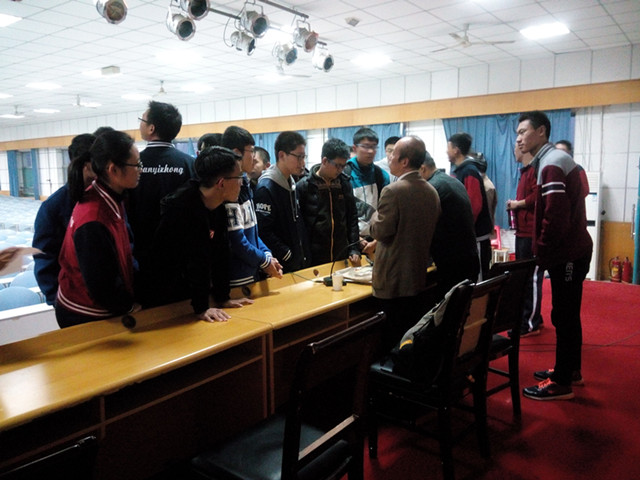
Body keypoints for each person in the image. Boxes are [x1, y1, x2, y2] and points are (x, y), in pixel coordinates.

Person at [517, 111, 593, 401]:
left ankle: (562, 382)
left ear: (542, 132)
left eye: (523, 132)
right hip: (571, 250)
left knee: (565, 314)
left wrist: (543, 250)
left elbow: (555, 216)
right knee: (566, 313)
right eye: (517, 133)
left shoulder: (551, 164)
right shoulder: (550, 161)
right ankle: (569, 370)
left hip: (569, 253)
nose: (519, 138)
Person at [148, 146, 253, 322]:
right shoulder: (180, 208)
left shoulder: (218, 204)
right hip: (168, 299)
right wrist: (201, 307)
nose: (242, 183)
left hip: (194, 296)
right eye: (239, 177)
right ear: (221, 183)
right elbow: (192, 260)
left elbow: (221, 252)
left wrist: (223, 297)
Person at [56, 130, 141, 328]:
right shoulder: (93, 218)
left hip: (100, 304)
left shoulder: (110, 196)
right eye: (136, 165)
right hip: (85, 313)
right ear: (113, 170)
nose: (140, 170)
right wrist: (128, 306)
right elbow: (101, 285)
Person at [370, 135, 441, 350]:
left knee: (388, 339)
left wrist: (373, 216)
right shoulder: (431, 191)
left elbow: (380, 231)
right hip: (417, 277)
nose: (389, 157)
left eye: (393, 154)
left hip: (391, 281)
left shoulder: (393, 191)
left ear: (404, 162)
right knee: (407, 338)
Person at [127, 101, 195, 303]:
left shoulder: (131, 166)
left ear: (151, 128)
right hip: (181, 257)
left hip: (142, 256)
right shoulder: (189, 164)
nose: (140, 124)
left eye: (142, 120)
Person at [33, 133, 97, 305]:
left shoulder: (109, 199)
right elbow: (44, 256)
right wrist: (57, 298)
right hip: (72, 301)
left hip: (105, 297)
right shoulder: (53, 206)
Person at [221, 126, 282, 287]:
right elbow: (237, 241)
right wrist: (264, 261)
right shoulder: (229, 188)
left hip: (252, 271)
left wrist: (267, 255)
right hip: (238, 277)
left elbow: (252, 232)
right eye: (251, 151)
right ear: (237, 153)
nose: (254, 157)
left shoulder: (244, 183)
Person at [419, 151, 479, 301]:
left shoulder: (432, 188)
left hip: (453, 264)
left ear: (422, 168)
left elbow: (424, 228)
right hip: (468, 259)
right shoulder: (451, 181)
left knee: (446, 310)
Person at [296, 138, 361, 266]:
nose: (341, 170)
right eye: (337, 165)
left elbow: (352, 217)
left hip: (341, 253)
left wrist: (354, 248)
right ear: (325, 161)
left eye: (343, 166)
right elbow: (300, 226)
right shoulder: (304, 186)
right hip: (314, 257)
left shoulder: (344, 183)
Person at [254, 131, 311, 273]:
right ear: (281, 155)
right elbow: (263, 231)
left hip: (297, 261)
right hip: (280, 265)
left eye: (304, 157)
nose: (303, 163)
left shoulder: (291, 182)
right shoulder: (266, 187)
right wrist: (286, 253)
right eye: (298, 157)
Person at [506, 145, 544, 336]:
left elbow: (538, 197)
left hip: (532, 234)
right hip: (522, 232)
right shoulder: (525, 172)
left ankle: (530, 324)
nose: (515, 150)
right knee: (524, 277)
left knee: (532, 278)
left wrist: (517, 204)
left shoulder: (535, 170)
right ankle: (532, 316)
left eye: (518, 144)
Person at [447, 132, 493, 280]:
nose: (446, 151)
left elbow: (474, 206)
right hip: (469, 235)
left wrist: (464, 230)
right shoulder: (461, 171)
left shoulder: (469, 171)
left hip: (476, 235)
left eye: (448, 147)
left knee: (478, 278)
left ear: (456, 150)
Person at [346, 127, 390, 258]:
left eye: (374, 147)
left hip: (376, 240)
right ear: (355, 148)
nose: (370, 151)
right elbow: (340, 213)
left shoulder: (381, 175)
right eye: (365, 146)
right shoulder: (345, 173)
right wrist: (355, 238)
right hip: (350, 241)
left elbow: (386, 211)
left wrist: (377, 241)